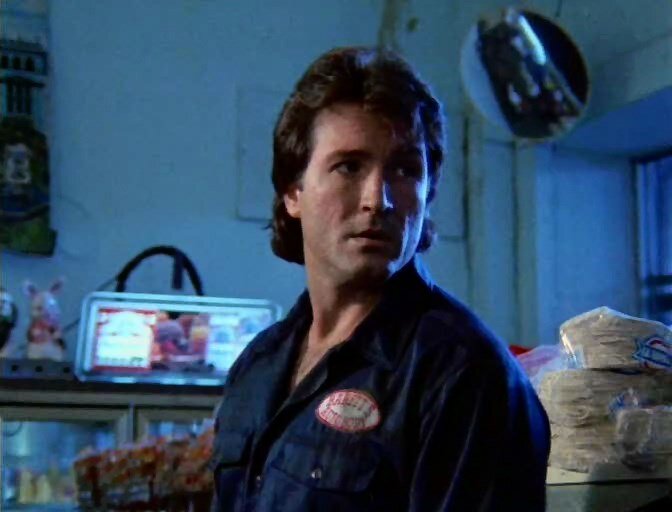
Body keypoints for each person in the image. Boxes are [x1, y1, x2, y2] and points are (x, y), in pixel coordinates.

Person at [210, 46, 550, 511]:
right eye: (349, 166)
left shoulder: (462, 372)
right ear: (294, 193)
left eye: (405, 170)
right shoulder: (258, 363)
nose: (379, 199)